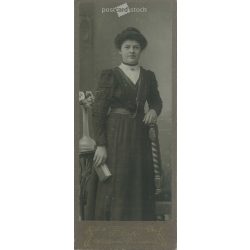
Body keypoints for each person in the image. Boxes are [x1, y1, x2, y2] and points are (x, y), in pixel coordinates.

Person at [89, 27, 163, 220]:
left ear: (141, 50)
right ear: (119, 51)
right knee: (117, 185)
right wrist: (101, 144)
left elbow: (156, 101)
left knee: (139, 183)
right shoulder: (110, 75)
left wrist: (154, 110)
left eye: (136, 47)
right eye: (127, 47)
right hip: (116, 136)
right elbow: (98, 112)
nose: (132, 51)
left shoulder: (148, 76)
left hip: (140, 137)